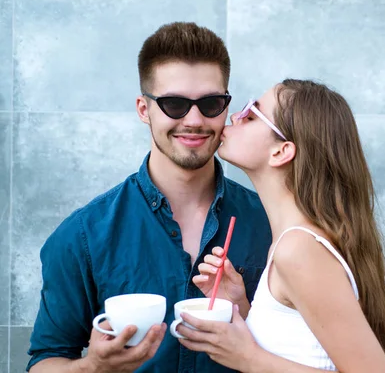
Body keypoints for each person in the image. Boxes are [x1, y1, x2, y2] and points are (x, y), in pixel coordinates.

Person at [26, 22, 272, 373]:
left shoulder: (271, 223)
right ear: (144, 109)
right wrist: (93, 367)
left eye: (211, 103)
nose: (194, 119)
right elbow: (44, 361)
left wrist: (245, 313)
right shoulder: (83, 235)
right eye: (174, 104)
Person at [183, 79, 385, 372]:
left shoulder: (298, 249)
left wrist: (248, 358)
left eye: (251, 115)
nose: (234, 117)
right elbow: (297, 350)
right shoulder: (289, 244)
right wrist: (241, 306)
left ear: (281, 152)